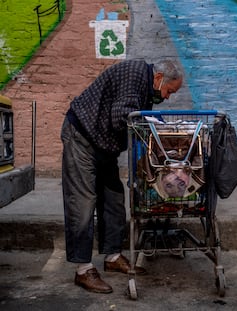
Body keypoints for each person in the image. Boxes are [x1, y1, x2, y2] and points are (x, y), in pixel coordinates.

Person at [60, 59, 184, 293]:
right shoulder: (135, 74)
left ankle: (112, 256)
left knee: (114, 199)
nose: (167, 97)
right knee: (83, 202)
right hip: (82, 136)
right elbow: (121, 117)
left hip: (103, 145)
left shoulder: (146, 86)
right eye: (169, 91)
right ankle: (83, 270)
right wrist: (152, 125)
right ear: (159, 78)